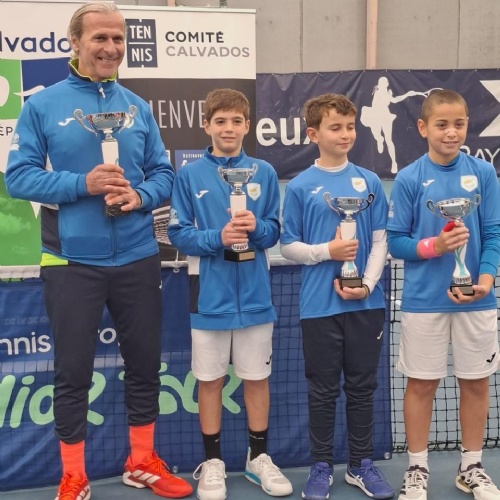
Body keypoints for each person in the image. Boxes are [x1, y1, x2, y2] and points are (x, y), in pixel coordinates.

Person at [5, 3, 193, 499]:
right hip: (70, 262)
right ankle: (74, 475)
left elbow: (164, 173)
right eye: (100, 38)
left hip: (137, 255)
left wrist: (141, 196)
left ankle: (141, 462)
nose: (111, 48)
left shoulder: (136, 106)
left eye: (117, 38)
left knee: (145, 365)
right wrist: (82, 184)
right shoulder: (43, 105)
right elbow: (18, 177)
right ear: (75, 43)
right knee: (72, 373)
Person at [167, 88, 293, 500]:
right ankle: (213, 462)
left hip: (255, 297)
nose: (228, 128)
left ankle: (258, 457)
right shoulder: (188, 175)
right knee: (210, 381)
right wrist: (216, 238)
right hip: (209, 298)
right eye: (220, 121)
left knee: (257, 378)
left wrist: (256, 228)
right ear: (206, 125)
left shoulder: (264, 172)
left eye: (236, 121)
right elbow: (177, 233)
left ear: (247, 126)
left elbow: (274, 231)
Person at [387, 89, 500, 500]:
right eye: (442, 124)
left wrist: (485, 280)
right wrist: (434, 246)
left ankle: (471, 467)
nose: (451, 133)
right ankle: (417, 469)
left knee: (476, 383)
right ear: (423, 128)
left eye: (459, 124)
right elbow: (396, 242)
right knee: (421, 385)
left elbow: (493, 233)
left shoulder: (483, 174)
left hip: (477, 300)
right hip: (423, 302)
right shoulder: (409, 178)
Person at [280, 93, 394, 500]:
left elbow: (380, 242)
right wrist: (326, 251)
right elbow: (288, 246)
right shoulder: (300, 186)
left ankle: (361, 465)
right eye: (335, 128)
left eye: (349, 127)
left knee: (362, 388)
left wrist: (366, 284)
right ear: (314, 134)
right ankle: (322, 467)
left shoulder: (370, 182)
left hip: (366, 305)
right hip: (318, 307)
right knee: (323, 390)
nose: (345, 134)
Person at [360, 76, 427, 174]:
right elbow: (393, 100)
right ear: (379, 84)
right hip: (376, 115)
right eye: (381, 83)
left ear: (387, 84)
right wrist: (407, 94)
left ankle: (394, 163)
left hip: (386, 116)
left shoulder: (387, 93)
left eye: (385, 83)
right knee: (376, 134)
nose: (383, 85)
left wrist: (407, 94)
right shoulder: (379, 93)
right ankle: (379, 140)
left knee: (389, 140)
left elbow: (394, 100)